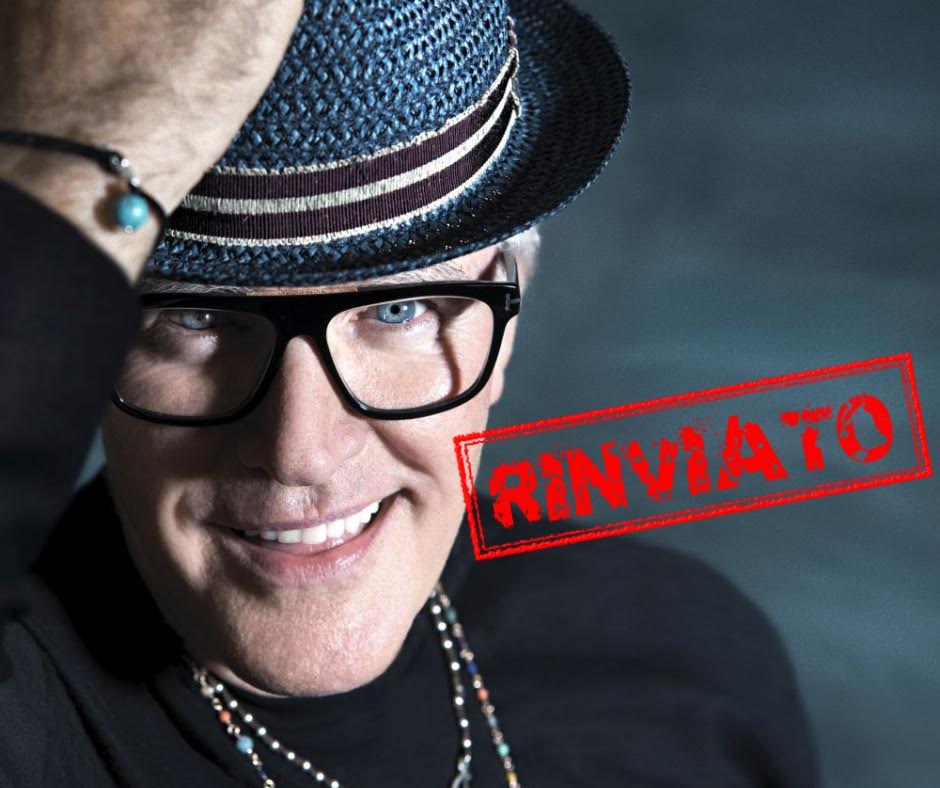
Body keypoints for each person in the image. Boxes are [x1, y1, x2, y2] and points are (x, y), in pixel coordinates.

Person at [0, 0, 819, 786]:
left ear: (511, 307)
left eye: (398, 310)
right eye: (199, 319)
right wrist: (79, 166)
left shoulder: (685, 659)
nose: (300, 452)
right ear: (85, 338)